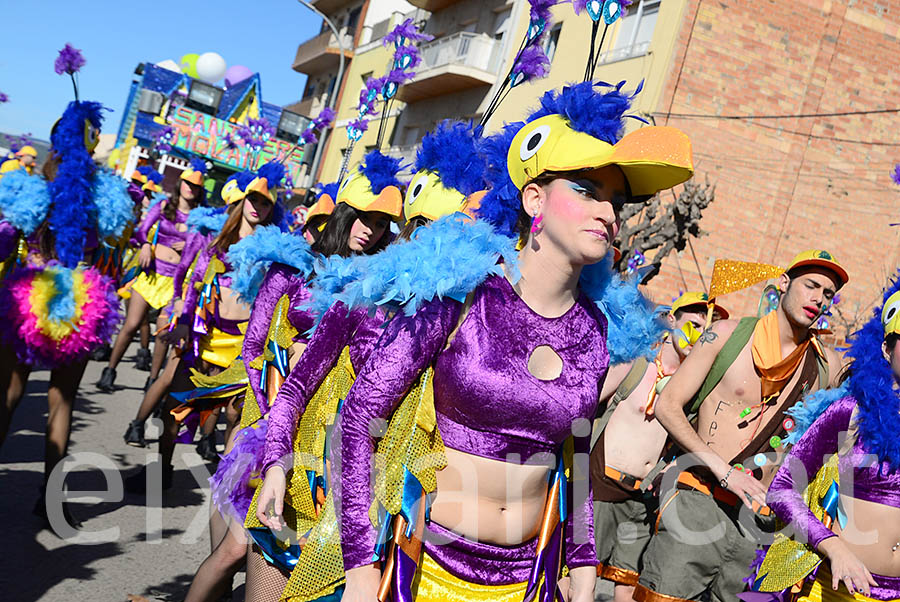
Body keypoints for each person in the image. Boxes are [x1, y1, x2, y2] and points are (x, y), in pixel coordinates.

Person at [331, 81, 693, 602]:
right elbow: (360, 416)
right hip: (423, 573)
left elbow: (576, 461)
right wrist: (360, 567)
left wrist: (585, 573)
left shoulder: (594, 332)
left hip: (528, 583)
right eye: (588, 191)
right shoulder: (460, 294)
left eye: (615, 201)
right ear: (533, 198)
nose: (608, 214)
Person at [181, 149, 403, 602]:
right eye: (364, 218)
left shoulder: (370, 286)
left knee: (261, 553)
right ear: (343, 214)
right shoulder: (293, 270)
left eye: (381, 225)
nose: (370, 231)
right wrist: (268, 420)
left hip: (317, 437)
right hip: (266, 417)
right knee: (232, 549)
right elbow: (253, 349)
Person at [636, 251, 849, 602]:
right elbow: (668, 405)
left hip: (759, 524)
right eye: (811, 285)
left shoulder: (827, 366)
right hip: (697, 497)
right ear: (784, 283)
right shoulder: (725, 335)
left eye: (827, 293)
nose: (818, 298)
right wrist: (723, 471)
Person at [0, 100, 132, 525]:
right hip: (79, 302)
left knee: (9, 393)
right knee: (62, 401)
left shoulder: (33, 187)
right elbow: (117, 237)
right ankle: (50, 499)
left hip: (30, 296)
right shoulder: (104, 194)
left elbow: (9, 235)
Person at [753, 275, 900, 601]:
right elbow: (782, 489)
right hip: (836, 588)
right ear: (887, 349)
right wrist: (832, 546)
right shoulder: (851, 413)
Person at [591, 292, 728, 602]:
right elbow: (586, 406)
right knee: (577, 579)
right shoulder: (634, 364)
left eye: (706, 331)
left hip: (643, 502)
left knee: (628, 585)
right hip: (600, 488)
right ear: (671, 321)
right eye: (693, 325)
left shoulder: (691, 391)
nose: (698, 336)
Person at [97, 158, 207, 392]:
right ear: (180, 184)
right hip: (151, 275)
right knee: (132, 324)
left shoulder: (200, 218)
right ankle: (110, 370)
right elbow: (142, 229)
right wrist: (146, 244)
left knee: (162, 334)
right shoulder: (164, 205)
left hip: (175, 284)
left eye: (195, 186)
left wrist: (189, 244)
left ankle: (152, 381)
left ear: (200, 191)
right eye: (187, 183)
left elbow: (205, 247)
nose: (190, 188)